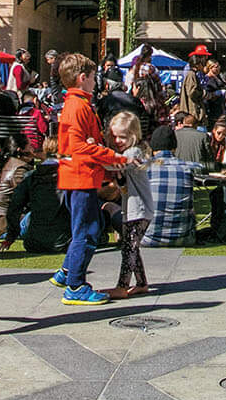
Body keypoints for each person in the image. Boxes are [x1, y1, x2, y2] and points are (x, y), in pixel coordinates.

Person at [51, 54, 128, 306]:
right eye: (94, 77)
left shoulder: (76, 104)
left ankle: (67, 272)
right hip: (80, 177)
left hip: (81, 176)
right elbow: (78, 146)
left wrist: (105, 167)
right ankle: (75, 284)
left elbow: (81, 145)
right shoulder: (78, 106)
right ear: (83, 78)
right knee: (87, 231)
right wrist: (113, 157)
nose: (97, 82)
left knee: (87, 228)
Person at [105, 110, 154, 299]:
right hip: (133, 209)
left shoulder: (132, 153)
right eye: (114, 137)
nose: (117, 141)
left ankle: (122, 286)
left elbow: (116, 165)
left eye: (122, 137)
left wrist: (94, 156)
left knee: (129, 247)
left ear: (133, 136)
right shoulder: (127, 152)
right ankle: (141, 283)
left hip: (139, 209)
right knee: (131, 245)